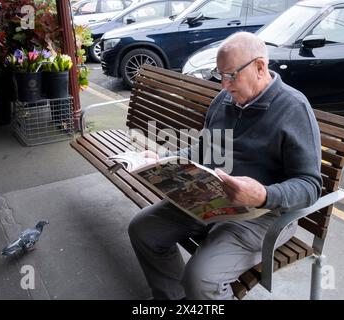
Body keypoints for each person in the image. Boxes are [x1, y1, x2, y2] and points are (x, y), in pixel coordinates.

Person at [128, 32, 322, 300]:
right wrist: (164, 160)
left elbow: (310, 186)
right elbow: (204, 148)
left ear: (260, 67)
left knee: (201, 278)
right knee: (143, 229)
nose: (223, 85)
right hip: (211, 200)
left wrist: (264, 195)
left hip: (263, 216)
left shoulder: (294, 108)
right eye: (220, 75)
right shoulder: (225, 101)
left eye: (230, 75)